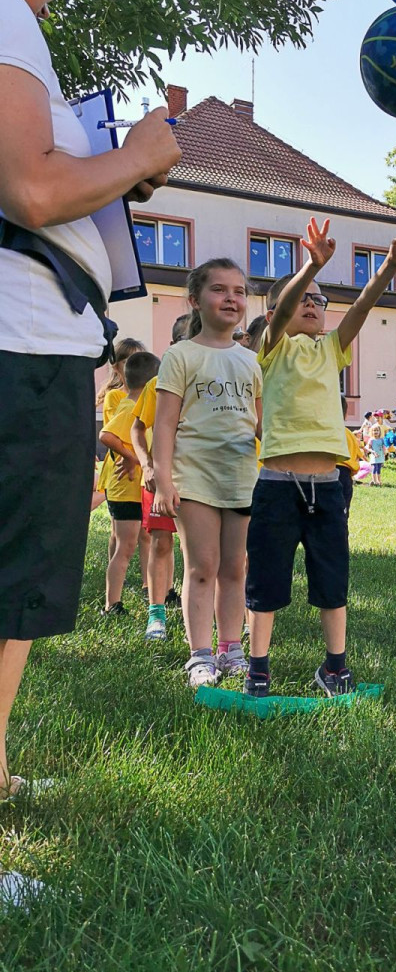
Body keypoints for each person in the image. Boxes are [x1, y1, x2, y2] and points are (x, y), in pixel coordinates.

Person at [0, 0, 181, 798]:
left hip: (34, 334)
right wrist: (141, 156)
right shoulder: (2, 12)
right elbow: (31, 193)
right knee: (10, 573)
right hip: (21, 338)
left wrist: (116, 175)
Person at [245, 217, 396, 698]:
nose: (313, 305)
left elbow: (363, 307)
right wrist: (310, 267)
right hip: (277, 487)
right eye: (304, 298)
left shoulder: (331, 349)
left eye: (319, 300)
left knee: (332, 579)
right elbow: (280, 312)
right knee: (266, 581)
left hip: (327, 487)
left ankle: (335, 667)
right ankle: (258, 667)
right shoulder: (272, 347)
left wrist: (387, 265)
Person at [152, 260, 262, 687]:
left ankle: (231, 648)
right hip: (194, 476)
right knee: (202, 567)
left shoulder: (250, 361)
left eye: (239, 290)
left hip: (241, 477)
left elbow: (260, 423)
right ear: (196, 301)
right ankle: (200, 655)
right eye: (220, 290)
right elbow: (164, 423)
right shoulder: (180, 356)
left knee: (236, 567)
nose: (232, 298)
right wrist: (163, 479)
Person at [130, 312, 191, 640]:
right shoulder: (157, 384)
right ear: (172, 346)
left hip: (200, 479)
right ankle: (157, 615)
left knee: (197, 551)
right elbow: (137, 428)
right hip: (160, 480)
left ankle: (199, 612)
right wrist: (147, 464)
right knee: (161, 543)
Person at [98, 350, 160, 614]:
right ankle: (112, 603)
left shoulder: (140, 406)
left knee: (142, 539)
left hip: (138, 490)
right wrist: (132, 457)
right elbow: (106, 435)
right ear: (150, 385)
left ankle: (150, 590)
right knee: (126, 546)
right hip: (124, 489)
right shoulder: (129, 407)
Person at [336, 394, 365, 512]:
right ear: (345, 415)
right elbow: (358, 456)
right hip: (346, 476)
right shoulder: (350, 435)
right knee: (344, 510)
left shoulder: (327, 434)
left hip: (329, 472)